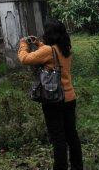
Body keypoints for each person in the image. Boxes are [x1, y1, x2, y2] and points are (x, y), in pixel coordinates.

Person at [18, 19, 83, 170]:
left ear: (49, 34)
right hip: (69, 98)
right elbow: (53, 56)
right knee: (71, 135)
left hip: (54, 100)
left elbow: (24, 59)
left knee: (58, 138)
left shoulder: (48, 51)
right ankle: (77, 167)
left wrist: (23, 44)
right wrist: (39, 44)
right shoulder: (65, 48)